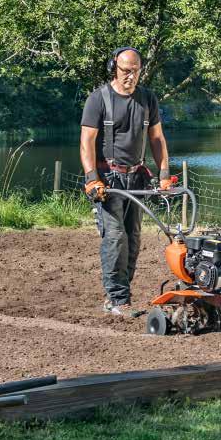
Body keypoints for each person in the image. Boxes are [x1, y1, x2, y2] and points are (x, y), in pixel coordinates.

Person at [80, 47, 174, 315]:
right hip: (108, 180)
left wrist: (164, 174)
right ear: (114, 68)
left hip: (137, 178)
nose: (129, 76)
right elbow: (86, 141)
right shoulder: (99, 99)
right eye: (124, 71)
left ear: (140, 70)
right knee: (115, 237)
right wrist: (91, 178)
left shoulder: (147, 100)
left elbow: (157, 139)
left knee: (133, 238)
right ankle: (117, 300)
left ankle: (122, 293)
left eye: (135, 71)